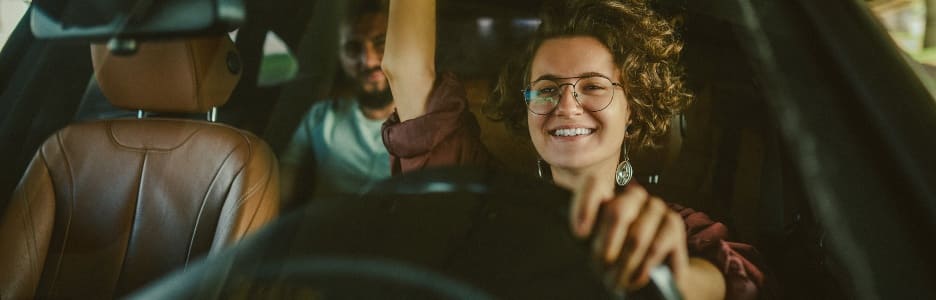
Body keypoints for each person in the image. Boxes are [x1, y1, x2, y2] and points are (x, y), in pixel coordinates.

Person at [381, 0, 766, 299]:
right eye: (547, 89)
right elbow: (406, 66)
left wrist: (667, 274)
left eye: (594, 86)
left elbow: (736, 280)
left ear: (633, 108)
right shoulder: (478, 197)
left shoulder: (676, 228)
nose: (566, 106)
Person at [280, 0, 393, 200]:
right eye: (353, 48)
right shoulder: (321, 117)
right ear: (340, 57)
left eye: (380, 43)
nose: (369, 60)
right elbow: (281, 188)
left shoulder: (424, 122)